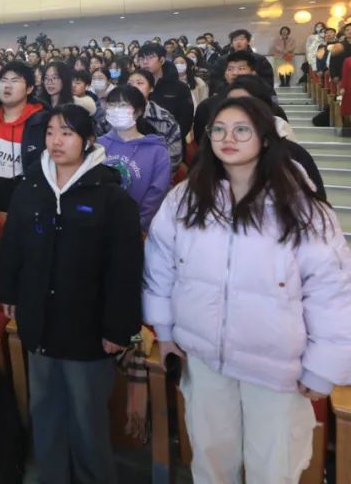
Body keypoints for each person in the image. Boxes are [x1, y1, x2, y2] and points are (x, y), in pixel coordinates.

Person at [143, 96, 351, 484]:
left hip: (276, 368)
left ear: (266, 138)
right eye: (219, 130)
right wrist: (166, 332)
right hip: (204, 357)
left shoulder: (302, 207)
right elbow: (161, 268)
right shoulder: (185, 198)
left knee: (273, 468)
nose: (228, 138)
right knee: (209, 460)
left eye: (242, 130)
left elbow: (332, 292)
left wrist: (323, 367)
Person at [0, 104, 143, 484]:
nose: (56, 141)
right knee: (45, 410)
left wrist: (118, 328)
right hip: (40, 320)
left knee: (87, 416)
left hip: (88, 328)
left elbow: (125, 269)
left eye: (67, 133)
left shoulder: (111, 197)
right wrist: (8, 288)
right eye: (50, 132)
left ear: (88, 140)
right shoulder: (31, 187)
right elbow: (13, 245)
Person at [0, 61, 50, 211]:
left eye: (15, 81)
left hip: (26, 201)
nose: (7, 85)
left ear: (29, 88)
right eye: (4, 80)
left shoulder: (42, 124)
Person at [98, 86, 172, 230]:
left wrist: (139, 225)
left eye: (123, 105)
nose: (116, 110)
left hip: (137, 228)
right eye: (112, 105)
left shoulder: (157, 150)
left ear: (138, 112)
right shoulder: (98, 145)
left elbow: (157, 192)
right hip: (98, 226)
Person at [138, 42, 193, 149]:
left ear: (162, 60)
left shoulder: (179, 87)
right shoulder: (134, 86)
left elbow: (185, 121)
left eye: (150, 57)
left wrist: (169, 142)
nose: (145, 62)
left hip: (170, 145)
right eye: (141, 58)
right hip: (140, 144)